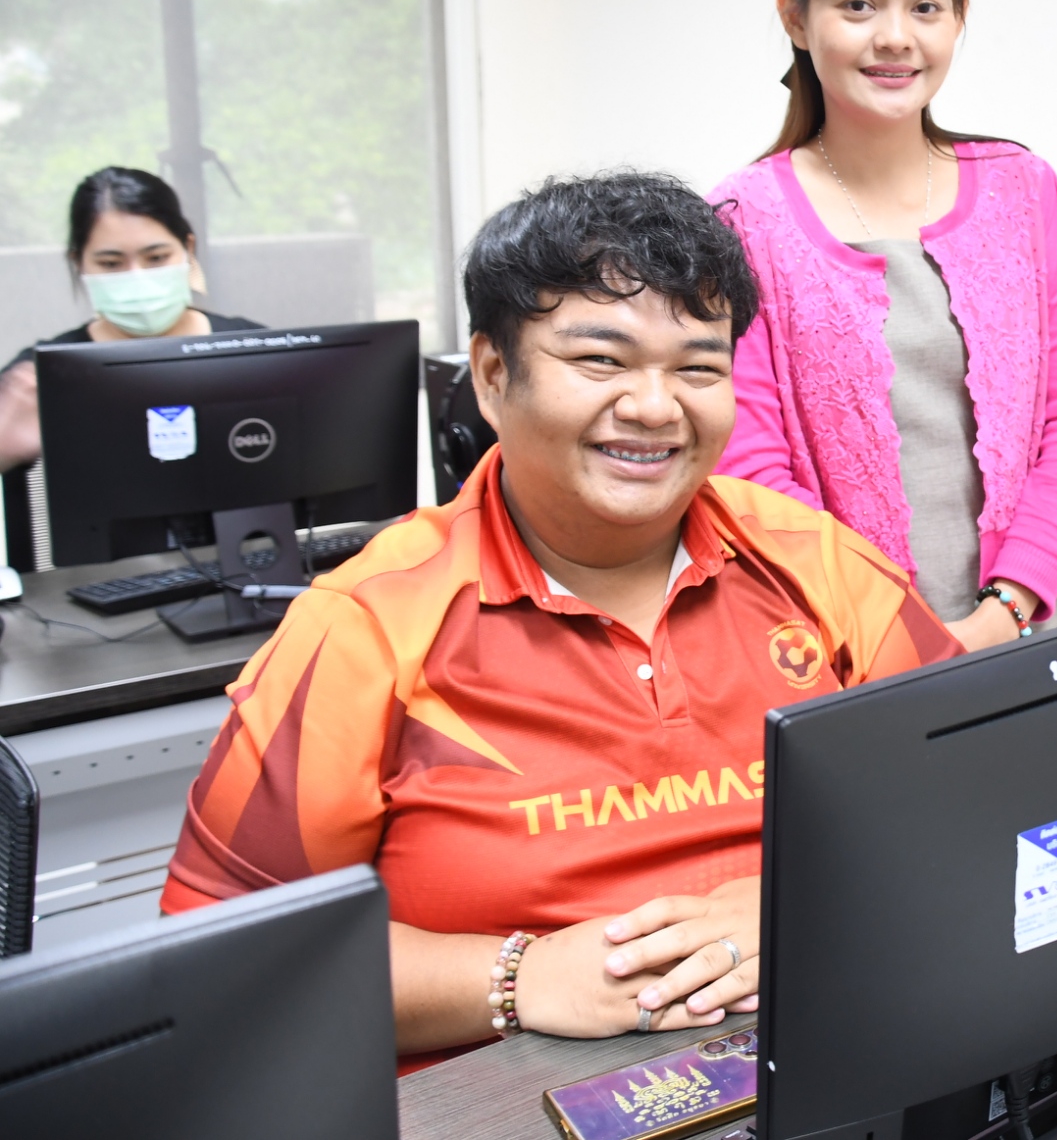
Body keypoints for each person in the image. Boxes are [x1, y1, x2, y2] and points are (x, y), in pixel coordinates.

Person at [157, 170, 964, 1069]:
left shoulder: (816, 563)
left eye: (698, 367)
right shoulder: (365, 627)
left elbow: (974, 806)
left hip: (823, 1066)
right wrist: (515, 978)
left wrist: (801, 903)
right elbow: (224, 960)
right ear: (493, 375)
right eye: (602, 361)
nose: (655, 406)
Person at [713, 0, 1057, 652]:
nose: (895, 37)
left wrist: (1002, 614)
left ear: (958, 17)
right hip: (841, 645)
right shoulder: (741, 220)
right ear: (795, 18)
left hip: (1026, 626)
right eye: (858, 5)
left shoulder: (1024, 190)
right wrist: (900, 635)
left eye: (925, 7)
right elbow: (748, 467)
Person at [0, 167, 262, 471]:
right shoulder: (37, 380)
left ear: (188, 249)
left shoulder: (257, 350)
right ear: (79, 263)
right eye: (111, 263)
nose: (138, 277)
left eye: (156, 258)